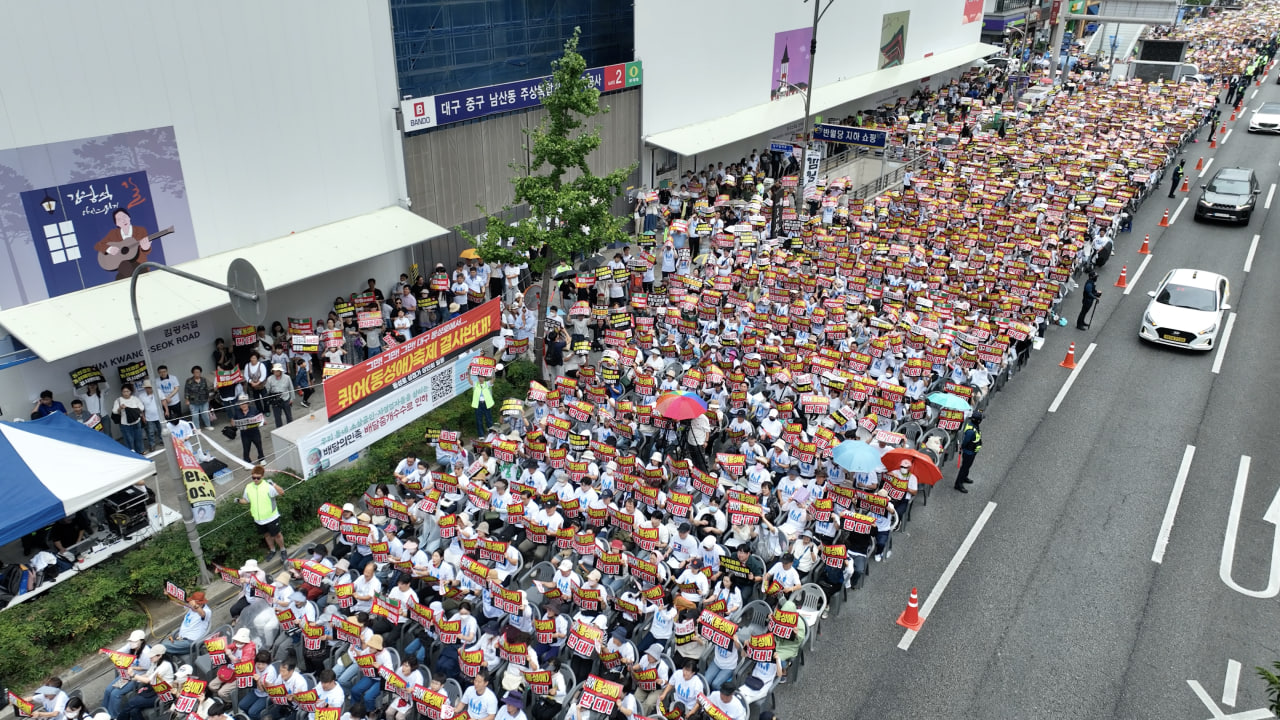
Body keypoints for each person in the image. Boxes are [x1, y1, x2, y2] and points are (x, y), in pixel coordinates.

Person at [239, 466, 289, 563]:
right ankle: (272, 550)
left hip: (271, 517)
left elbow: (282, 492)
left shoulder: (268, 486)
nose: (256, 480)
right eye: (253, 478)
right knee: (267, 536)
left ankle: (283, 550)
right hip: (258, 519)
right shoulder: (249, 487)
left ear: (262, 476)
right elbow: (246, 500)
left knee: (277, 535)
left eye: (258, 478)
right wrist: (239, 501)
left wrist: (274, 484)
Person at [94, 207, 152, 280]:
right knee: (123, 268)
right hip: (124, 269)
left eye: (124, 217)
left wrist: (145, 248)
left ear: (129, 217)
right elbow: (97, 245)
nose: (123, 220)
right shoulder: (113, 234)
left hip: (141, 268)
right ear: (117, 224)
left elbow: (147, 251)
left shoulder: (140, 230)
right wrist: (109, 248)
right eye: (119, 219)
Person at [112, 383, 147, 454]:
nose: (125, 393)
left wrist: (132, 410)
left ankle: (140, 450)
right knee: (128, 439)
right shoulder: (118, 400)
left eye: (127, 391)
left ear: (130, 392)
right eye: (124, 392)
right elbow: (114, 411)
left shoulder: (135, 399)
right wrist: (120, 408)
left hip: (136, 421)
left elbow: (142, 407)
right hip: (125, 423)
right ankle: (131, 453)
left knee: (138, 437)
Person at [230, 394, 265, 462]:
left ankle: (261, 459)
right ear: (239, 405)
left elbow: (261, 417)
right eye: (241, 404)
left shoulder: (254, 409)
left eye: (245, 403)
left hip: (255, 432)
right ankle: (247, 461)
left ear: (248, 403)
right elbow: (233, 421)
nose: (243, 405)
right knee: (246, 448)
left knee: (259, 446)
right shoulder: (237, 412)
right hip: (244, 434)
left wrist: (263, 421)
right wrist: (233, 422)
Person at [954, 411, 983, 492]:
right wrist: (962, 447)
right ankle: (958, 484)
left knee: (967, 466)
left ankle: (964, 477)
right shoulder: (971, 431)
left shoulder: (973, 426)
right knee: (964, 467)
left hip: (972, 451)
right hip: (969, 452)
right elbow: (966, 441)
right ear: (978, 421)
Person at [138, 380, 163, 452]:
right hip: (149, 417)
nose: (148, 389)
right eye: (147, 388)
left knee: (161, 429)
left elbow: (163, 401)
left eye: (150, 387)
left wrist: (166, 410)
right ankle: (152, 444)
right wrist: (143, 416)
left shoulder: (158, 392)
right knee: (150, 432)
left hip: (159, 415)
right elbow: (141, 408)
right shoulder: (141, 396)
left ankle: (162, 440)